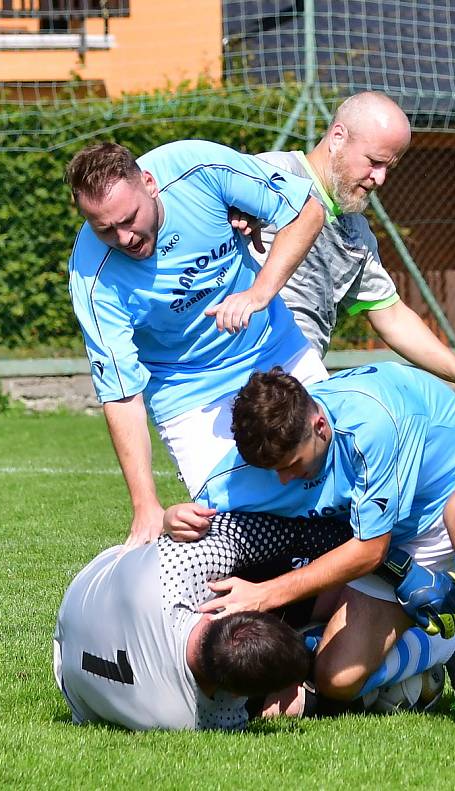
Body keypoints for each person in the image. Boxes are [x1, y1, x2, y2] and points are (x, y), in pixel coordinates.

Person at [171, 362, 455, 734]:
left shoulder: (372, 423)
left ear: (320, 427)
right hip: (401, 540)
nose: (283, 479)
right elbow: (196, 515)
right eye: (274, 471)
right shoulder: (255, 466)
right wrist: (170, 517)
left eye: (293, 464)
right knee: (337, 678)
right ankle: (452, 643)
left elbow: (369, 550)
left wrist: (265, 595)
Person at [65, 140, 326, 547]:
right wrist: (145, 505)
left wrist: (259, 293)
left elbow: (308, 210)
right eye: (105, 230)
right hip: (188, 392)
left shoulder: (200, 168)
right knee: (236, 527)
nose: (124, 238)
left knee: (337, 463)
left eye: (129, 219)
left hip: (275, 351)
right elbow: (121, 393)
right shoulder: (91, 276)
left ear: (149, 183)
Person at [231, 90, 455, 418]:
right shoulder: (272, 172)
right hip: (236, 374)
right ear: (338, 136)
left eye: (389, 167)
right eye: (374, 162)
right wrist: (232, 208)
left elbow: (391, 316)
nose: (380, 178)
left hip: (294, 390)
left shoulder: (356, 234)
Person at [53, 512, 353, 731]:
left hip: (78, 623)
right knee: (291, 705)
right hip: (72, 647)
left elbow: (277, 529)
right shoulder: (202, 719)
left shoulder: (182, 565)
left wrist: (355, 544)